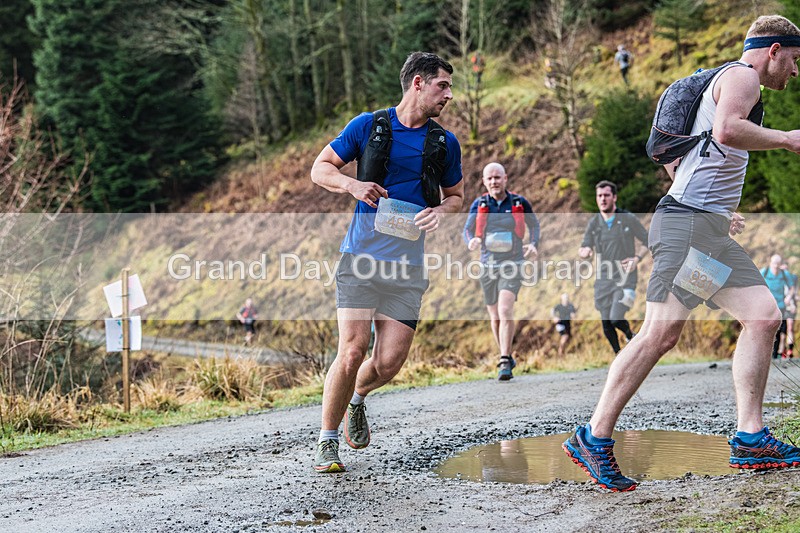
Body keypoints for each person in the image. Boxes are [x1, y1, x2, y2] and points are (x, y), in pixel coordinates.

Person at [564, 15, 800, 492]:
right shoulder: (742, 77)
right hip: (685, 228)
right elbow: (729, 130)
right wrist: (789, 139)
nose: (795, 72)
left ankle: (750, 437)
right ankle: (593, 436)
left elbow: (691, 155)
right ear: (773, 50)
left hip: (706, 231)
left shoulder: (732, 82)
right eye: (795, 60)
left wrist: (717, 208)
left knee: (763, 316)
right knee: (660, 333)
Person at [309, 52, 464, 473]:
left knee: (390, 362)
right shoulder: (368, 126)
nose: (448, 94)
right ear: (417, 83)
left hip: (407, 268)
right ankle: (326, 441)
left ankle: (355, 400)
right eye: (442, 86)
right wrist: (352, 185)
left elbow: (456, 197)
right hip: (360, 258)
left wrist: (441, 212)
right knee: (353, 348)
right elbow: (319, 169)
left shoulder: (444, 143)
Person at [463, 162, 540, 380]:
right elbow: (467, 230)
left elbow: (534, 225)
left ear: (505, 178)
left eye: (498, 177)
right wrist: (471, 241)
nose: (494, 182)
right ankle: (504, 353)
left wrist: (533, 244)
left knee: (505, 310)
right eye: (490, 179)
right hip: (487, 265)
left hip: (513, 263)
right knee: (495, 316)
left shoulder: (518, 202)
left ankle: (504, 359)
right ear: (484, 182)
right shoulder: (479, 204)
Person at [579, 181, 649, 355]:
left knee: (616, 318)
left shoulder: (628, 218)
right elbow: (584, 246)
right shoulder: (594, 223)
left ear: (614, 197)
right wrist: (585, 251)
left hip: (626, 277)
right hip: (603, 278)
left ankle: (630, 335)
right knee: (606, 324)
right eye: (599, 196)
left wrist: (637, 258)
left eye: (606, 195)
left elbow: (648, 241)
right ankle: (618, 356)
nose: (602, 199)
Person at [760, 254, 795, 358]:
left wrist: (788, 297)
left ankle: (775, 354)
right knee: (766, 328)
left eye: (778, 264)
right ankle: (765, 353)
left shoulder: (785, 274)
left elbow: (792, 288)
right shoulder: (764, 272)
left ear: (780, 265)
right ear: (770, 263)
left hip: (780, 306)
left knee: (778, 329)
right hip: (767, 305)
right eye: (774, 263)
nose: (775, 266)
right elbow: (756, 285)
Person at [782, 260, 798, 357]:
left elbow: (795, 292)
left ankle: (790, 350)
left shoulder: (793, 278)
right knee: (780, 330)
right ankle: (781, 350)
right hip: (779, 306)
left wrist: (794, 300)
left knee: (790, 326)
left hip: (790, 305)